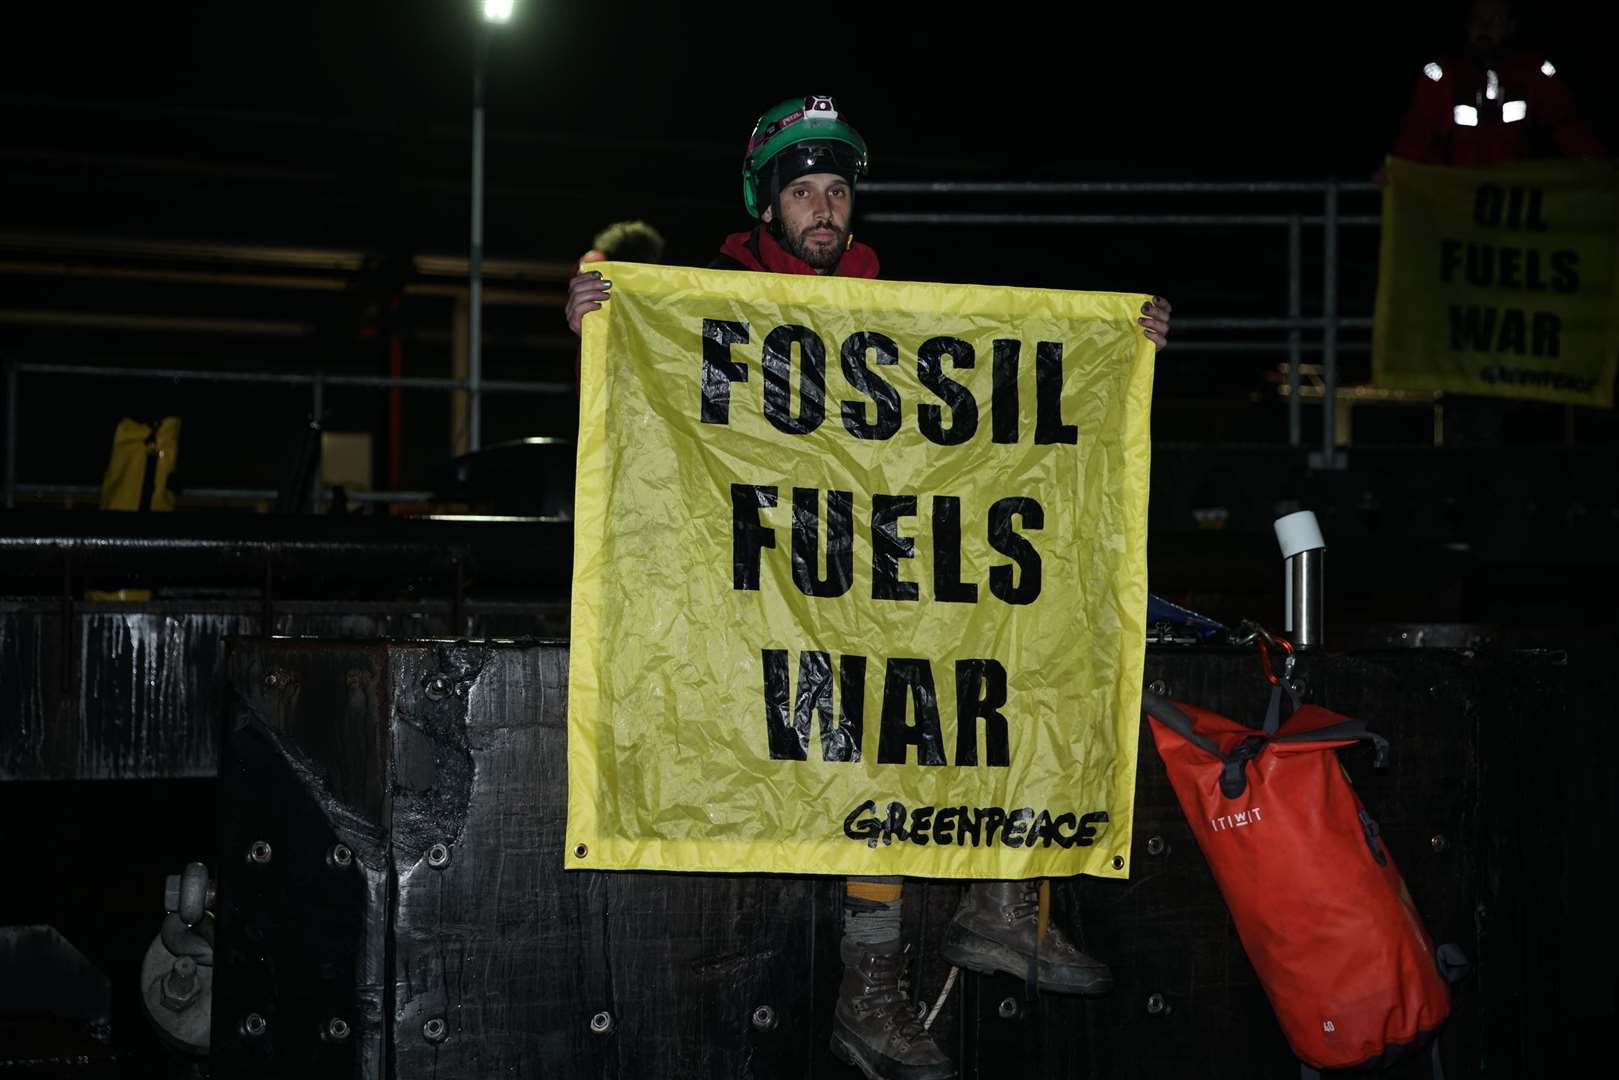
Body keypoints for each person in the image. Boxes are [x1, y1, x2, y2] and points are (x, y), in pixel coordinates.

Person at [566, 96, 1172, 1080]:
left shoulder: (893, 305)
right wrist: (594, 324)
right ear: (766, 204)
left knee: (1015, 654)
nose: (823, 207)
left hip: (871, 584)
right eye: (802, 190)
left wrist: (1117, 345)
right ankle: (871, 985)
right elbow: (649, 407)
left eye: (836, 190)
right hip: (754, 596)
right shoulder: (707, 292)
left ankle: (1002, 897)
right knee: (864, 728)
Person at [1387, 0, 1605, 169]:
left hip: (1513, 196)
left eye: (1495, 20)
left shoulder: (1532, 72)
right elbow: (1416, 132)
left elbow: (1567, 126)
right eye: (1477, 19)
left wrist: (1598, 162)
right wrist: (1395, 169)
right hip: (1456, 196)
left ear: (1511, 27)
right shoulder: (1444, 74)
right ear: (1467, 26)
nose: (1485, 27)